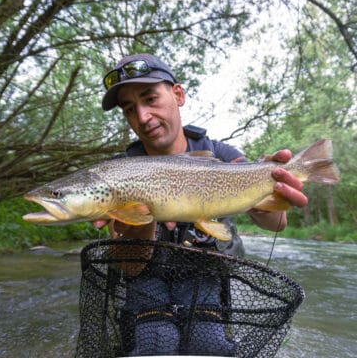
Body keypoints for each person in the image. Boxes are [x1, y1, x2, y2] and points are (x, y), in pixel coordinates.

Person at [93, 53, 308, 356]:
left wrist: (272, 188)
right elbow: (129, 266)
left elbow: (277, 223)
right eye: (129, 109)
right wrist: (141, 223)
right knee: (157, 343)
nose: (142, 117)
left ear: (177, 94)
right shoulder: (119, 172)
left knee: (209, 345)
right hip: (145, 281)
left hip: (207, 280)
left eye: (150, 98)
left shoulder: (222, 155)